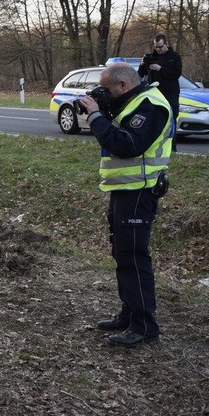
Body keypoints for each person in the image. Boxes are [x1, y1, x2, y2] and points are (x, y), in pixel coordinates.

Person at [77, 62, 172, 347]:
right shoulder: (131, 101)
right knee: (122, 254)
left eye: (106, 89)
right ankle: (129, 313)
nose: (103, 94)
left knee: (133, 257)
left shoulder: (152, 106)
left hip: (139, 192)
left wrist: (96, 115)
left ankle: (144, 325)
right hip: (123, 190)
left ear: (123, 86)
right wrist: (101, 109)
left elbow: (127, 144)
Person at [138, 33, 183, 120]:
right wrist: (142, 64)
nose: (158, 49)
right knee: (154, 118)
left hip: (169, 92)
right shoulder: (151, 57)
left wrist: (160, 68)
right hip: (154, 93)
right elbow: (141, 74)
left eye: (160, 47)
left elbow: (176, 74)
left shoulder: (174, 56)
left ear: (166, 44)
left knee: (170, 116)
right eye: (156, 47)